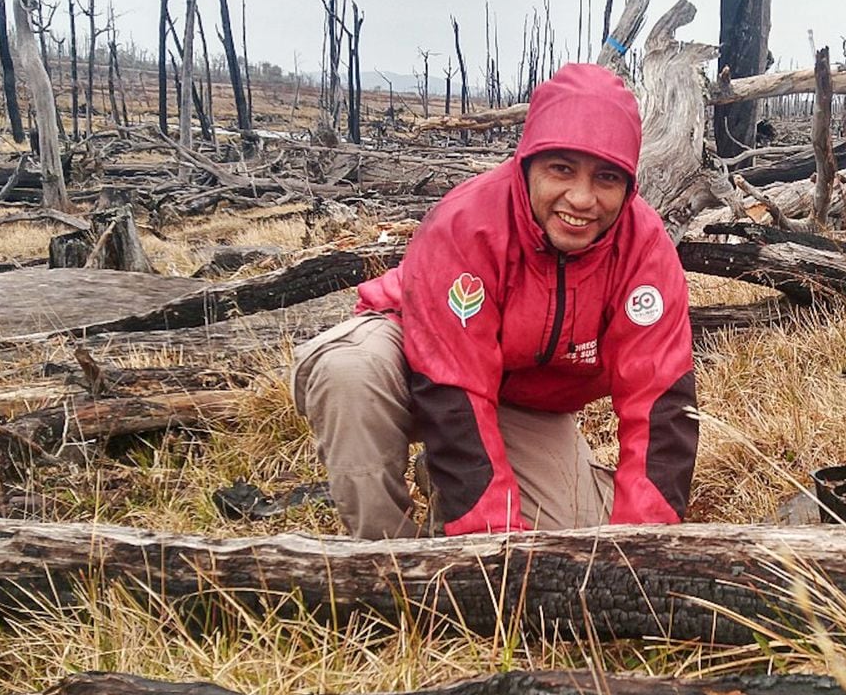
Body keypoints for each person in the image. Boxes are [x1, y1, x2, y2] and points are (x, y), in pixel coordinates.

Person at [291, 62, 698, 539]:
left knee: (564, 535)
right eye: (561, 169)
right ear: (526, 164)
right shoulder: (465, 223)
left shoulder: (644, 248)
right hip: (415, 355)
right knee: (350, 373)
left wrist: (641, 552)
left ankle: (443, 480)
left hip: (520, 396)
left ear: (629, 187)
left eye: (606, 178)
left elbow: (660, 403)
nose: (582, 198)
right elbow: (453, 389)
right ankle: (392, 569)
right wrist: (493, 560)